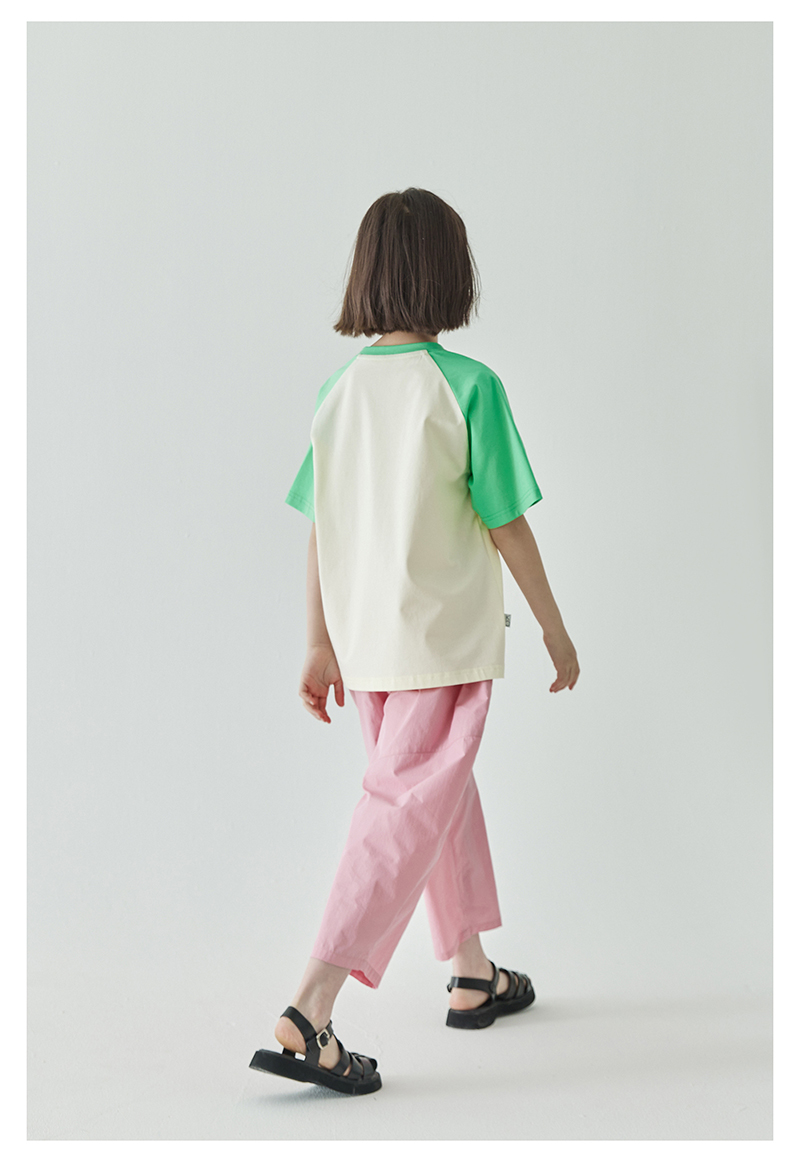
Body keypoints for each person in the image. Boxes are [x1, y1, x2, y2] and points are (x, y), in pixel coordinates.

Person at [249, 188, 580, 1096]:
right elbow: (506, 522)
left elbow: (320, 526)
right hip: (441, 644)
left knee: (436, 797)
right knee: (404, 807)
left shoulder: (338, 392)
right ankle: (311, 1006)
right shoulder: (468, 386)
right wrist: (554, 627)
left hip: (368, 648)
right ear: (449, 272)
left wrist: (318, 643)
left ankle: (472, 972)